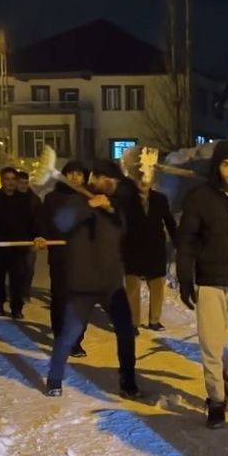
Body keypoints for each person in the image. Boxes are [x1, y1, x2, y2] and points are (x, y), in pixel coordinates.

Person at [175, 141, 228, 428]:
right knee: (211, 346)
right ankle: (216, 401)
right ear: (217, 167)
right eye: (226, 164)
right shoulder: (199, 198)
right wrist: (185, 277)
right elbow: (186, 241)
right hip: (209, 281)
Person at [43, 159, 140, 398]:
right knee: (68, 335)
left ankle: (128, 381)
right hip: (82, 284)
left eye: (112, 182)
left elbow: (126, 222)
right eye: (104, 180)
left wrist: (110, 207)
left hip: (112, 284)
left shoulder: (118, 206)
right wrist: (89, 205)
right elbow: (61, 222)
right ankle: (54, 379)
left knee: (126, 333)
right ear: (94, 179)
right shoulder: (77, 200)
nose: (109, 185)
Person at [39, 161, 88, 358]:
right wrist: (41, 236)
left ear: (85, 177)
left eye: (79, 174)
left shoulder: (91, 198)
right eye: (71, 173)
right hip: (61, 257)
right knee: (60, 299)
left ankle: (76, 341)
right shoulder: (52, 198)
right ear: (64, 176)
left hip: (85, 259)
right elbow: (43, 222)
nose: (75, 177)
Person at [122, 169, 178, 334]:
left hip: (155, 249)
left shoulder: (160, 199)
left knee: (157, 287)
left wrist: (178, 242)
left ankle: (154, 320)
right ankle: (132, 323)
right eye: (140, 177)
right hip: (132, 250)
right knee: (132, 289)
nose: (143, 181)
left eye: (147, 177)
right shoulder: (126, 200)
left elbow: (169, 222)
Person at [0, 166, 38, 319]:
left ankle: (16, 307)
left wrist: (34, 237)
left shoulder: (24, 200)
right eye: (7, 179)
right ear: (1, 181)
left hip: (19, 248)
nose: (10, 182)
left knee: (17, 279)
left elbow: (32, 222)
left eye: (13, 179)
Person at [17, 170, 38, 296]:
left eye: (26, 183)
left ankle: (25, 292)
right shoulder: (10, 198)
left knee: (29, 267)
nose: (23, 185)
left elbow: (40, 220)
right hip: (14, 239)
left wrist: (38, 236)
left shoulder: (34, 199)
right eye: (21, 183)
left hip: (30, 240)